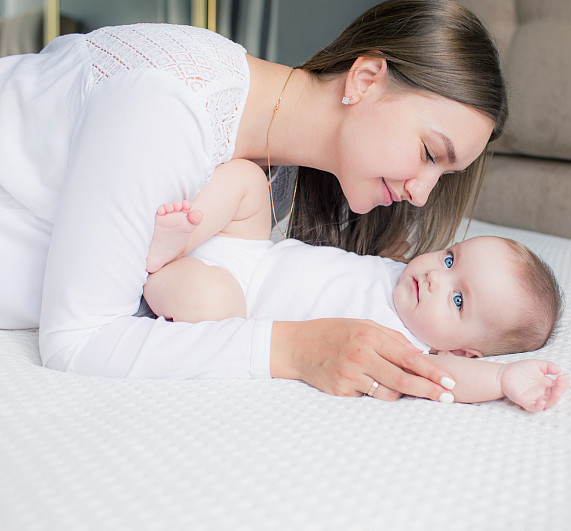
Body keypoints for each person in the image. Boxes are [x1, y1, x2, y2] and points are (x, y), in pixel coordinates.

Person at [0, 0, 508, 403]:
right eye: (427, 154)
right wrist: (293, 348)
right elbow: (77, 342)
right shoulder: (168, 107)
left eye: (442, 176)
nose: (420, 194)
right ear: (365, 79)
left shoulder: (271, 170)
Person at [142, 159, 567, 412]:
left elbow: (449, 379)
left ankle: (158, 265)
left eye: (458, 299)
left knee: (209, 302)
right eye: (451, 258)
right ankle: (186, 233)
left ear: (458, 350)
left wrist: (502, 379)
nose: (437, 276)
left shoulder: (407, 349)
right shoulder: (399, 272)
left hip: (237, 299)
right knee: (248, 180)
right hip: (255, 253)